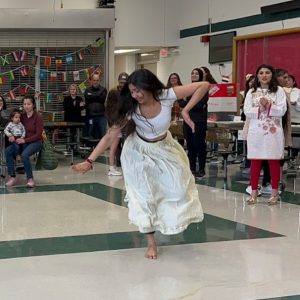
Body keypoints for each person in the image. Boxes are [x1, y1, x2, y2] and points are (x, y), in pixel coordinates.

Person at [72, 69, 210, 259]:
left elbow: (204, 85)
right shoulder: (131, 108)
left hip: (164, 149)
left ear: (149, 86)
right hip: (138, 152)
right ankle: (151, 243)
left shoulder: (167, 96)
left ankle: (164, 222)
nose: (135, 95)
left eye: (138, 90)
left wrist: (186, 110)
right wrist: (89, 161)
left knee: (178, 190)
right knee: (143, 197)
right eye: (132, 91)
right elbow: (109, 136)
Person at [244, 64, 287, 205]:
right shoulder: (251, 91)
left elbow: (282, 110)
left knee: (273, 161)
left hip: (273, 131)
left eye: (267, 72)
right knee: (255, 161)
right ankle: (254, 193)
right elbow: (247, 111)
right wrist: (260, 107)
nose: (264, 75)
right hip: (256, 131)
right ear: (257, 75)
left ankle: (274, 194)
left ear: (272, 75)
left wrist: (269, 106)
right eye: (261, 72)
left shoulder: (279, 91)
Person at [5, 95, 44, 188]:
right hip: (23, 141)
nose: (26, 106)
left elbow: (38, 135)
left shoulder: (38, 117)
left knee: (24, 155)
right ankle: (12, 177)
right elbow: (11, 124)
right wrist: (11, 135)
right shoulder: (21, 116)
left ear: (33, 105)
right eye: (24, 104)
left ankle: (30, 179)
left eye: (29, 104)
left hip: (36, 142)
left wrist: (24, 140)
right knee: (8, 151)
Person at [179, 68, 209, 179]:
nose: (194, 75)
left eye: (196, 73)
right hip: (187, 120)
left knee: (199, 145)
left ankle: (201, 169)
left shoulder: (203, 88)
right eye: (192, 73)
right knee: (190, 145)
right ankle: (191, 168)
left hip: (199, 121)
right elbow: (181, 103)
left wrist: (187, 101)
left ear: (200, 76)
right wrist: (187, 102)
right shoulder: (188, 88)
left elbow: (199, 105)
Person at [106, 72, 129, 176]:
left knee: (121, 145)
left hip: (122, 122)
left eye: (124, 82)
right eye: (121, 82)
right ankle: (112, 167)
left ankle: (114, 166)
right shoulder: (113, 92)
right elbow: (109, 109)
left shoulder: (128, 92)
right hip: (116, 123)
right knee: (114, 147)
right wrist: (113, 123)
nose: (122, 84)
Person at [84, 73, 108, 139]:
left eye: (97, 80)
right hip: (90, 116)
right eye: (94, 80)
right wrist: (97, 95)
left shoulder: (104, 89)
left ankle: (101, 149)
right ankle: (91, 149)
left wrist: (92, 95)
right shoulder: (87, 90)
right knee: (90, 135)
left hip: (101, 116)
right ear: (92, 81)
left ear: (99, 80)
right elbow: (88, 98)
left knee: (102, 135)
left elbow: (102, 99)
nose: (95, 82)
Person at [283, 74, 300, 167]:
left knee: (295, 142)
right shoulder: (280, 91)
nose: (287, 81)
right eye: (285, 79)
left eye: (289, 80)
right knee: (286, 141)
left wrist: (295, 104)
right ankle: (286, 158)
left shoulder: (298, 92)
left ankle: (293, 157)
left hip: (296, 120)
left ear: (293, 82)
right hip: (285, 121)